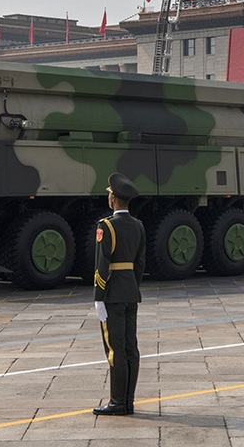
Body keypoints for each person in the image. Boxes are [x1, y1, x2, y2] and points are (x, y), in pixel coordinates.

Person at [93, 173, 146, 415]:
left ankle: (117, 403)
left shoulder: (106, 226)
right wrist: (132, 287)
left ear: (113, 199)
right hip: (131, 293)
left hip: (112, 294)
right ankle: (128, 402)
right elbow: (140, 264)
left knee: (115, 349)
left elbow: (102, 264)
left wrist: (98, 296)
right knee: (131, 347)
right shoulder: (139, 226)